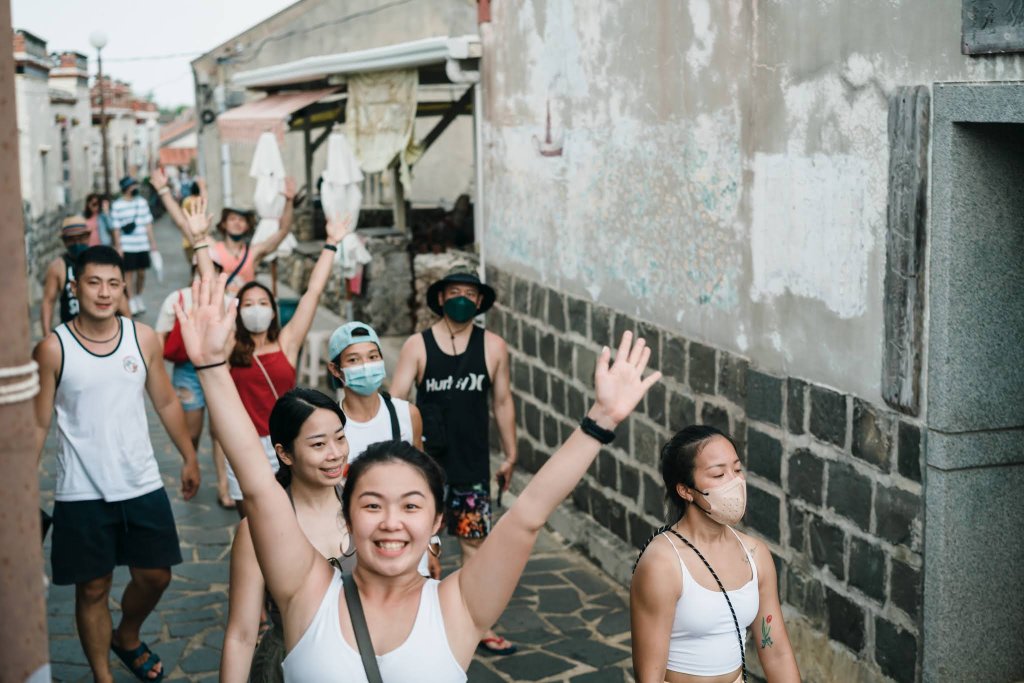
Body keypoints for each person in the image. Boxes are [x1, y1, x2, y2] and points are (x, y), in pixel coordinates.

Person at [175, 274, 658, 682]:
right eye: (371, 504)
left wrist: (600, 423)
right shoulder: (305, 594)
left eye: (410, 505)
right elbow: (260, 488)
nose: (390, 521)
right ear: (347, 515)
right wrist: (212, 367)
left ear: (435, 522)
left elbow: (529, 514)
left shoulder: (460, 607)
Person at [32, 245, 201, 682]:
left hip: (140, 480)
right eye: (93, 282)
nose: (104, 293)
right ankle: (103, 675)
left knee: (156, 576)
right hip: (81, 489)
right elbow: (37, 424)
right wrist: (20, 490)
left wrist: (188, 456)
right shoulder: (53, 348)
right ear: (75, 287)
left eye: (113, 283)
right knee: (92, 588)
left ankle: (126, 634)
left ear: (123, 287)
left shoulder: (142, 337)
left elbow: (164, 399)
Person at [391, 263, 519, 654]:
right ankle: (408, 623)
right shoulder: (418, 345)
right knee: (416, 547)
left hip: (472, 465)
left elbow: (502, 402)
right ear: (441, 297)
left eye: (470, 294)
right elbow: (397, 402)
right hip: (424, 469)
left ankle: (480, 625)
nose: (462, 300)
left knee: (475, 547)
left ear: (479, 301)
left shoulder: (493, 346)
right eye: (455, 293)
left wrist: (511, 453)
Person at [630, 426, 801, 683]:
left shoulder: (755, 554)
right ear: (685, 490)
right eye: (719, 473)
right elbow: (649, 676)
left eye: (737, 469)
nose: (734, 482)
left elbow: (775, 650)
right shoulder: (663, 564)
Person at [221, 388, 356, 683]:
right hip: (288, 666)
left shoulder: (365, 508)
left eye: (341, 437)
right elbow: (242, 635)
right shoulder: (258, 530)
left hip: (363, 660)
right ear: (284, 453)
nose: (336, 454)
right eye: (319, 444)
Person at [223, 214, 350, 515]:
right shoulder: (229, 346)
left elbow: (313, 292)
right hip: (243, 445)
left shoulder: (287, 343)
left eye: (263, 303)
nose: (256, 309)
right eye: (249, 304)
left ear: (273, 309)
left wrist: (331, 243)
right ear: (238, 312)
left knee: (293, 514)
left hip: (286, 442)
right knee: (251, 522)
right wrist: (201, 241)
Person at [326, 320, 439, 578]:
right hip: (352, 546)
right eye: (354, 360)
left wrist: (432, 543)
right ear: (336, 369)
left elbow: (425, 482)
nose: (366, 365)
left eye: (373, 356)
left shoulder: (406, 415)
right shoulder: (331, 427)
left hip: (407, 539)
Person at [153, 209, 235, 509]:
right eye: (202, 269)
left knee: (221, 431)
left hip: (222, 370)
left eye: (212, 269)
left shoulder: (227, 301)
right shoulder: (175, 299)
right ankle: (192, 465)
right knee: (194, 430)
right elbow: (159, 339)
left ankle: (225, 486)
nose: (205, 274)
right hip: (187, 372)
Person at [150, 166, 297, 296]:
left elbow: (283, 231)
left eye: (242, 220)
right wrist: (164, 191)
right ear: (224, 225)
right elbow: (182, 223)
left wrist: (289, 201)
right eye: (232, 219)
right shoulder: (212, 248)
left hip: (243, 314)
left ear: (247, 226)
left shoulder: (254, 253)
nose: (237, 223)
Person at [110, 176, 157, 316]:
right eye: (132, 186)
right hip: (127, 246)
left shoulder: (142, 203)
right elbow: (116, 228)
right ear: (126, 188)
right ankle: (130, 300)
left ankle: (138, 296)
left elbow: (148, 224)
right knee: (128, 274)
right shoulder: (117, 205)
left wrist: (152, 243)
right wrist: (118, 247)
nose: (135, 188)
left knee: (142, 273)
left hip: (142, 244)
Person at [39, 216, 93, 335]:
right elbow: (48, 301)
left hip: (101, 332)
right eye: (72, 239)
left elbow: (121, 300)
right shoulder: (58, 266)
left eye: (81, 238)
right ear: (64, 241)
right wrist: (47, 334)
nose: (77, 243)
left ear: (88, 237)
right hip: (71, 334)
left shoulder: (101, 261)